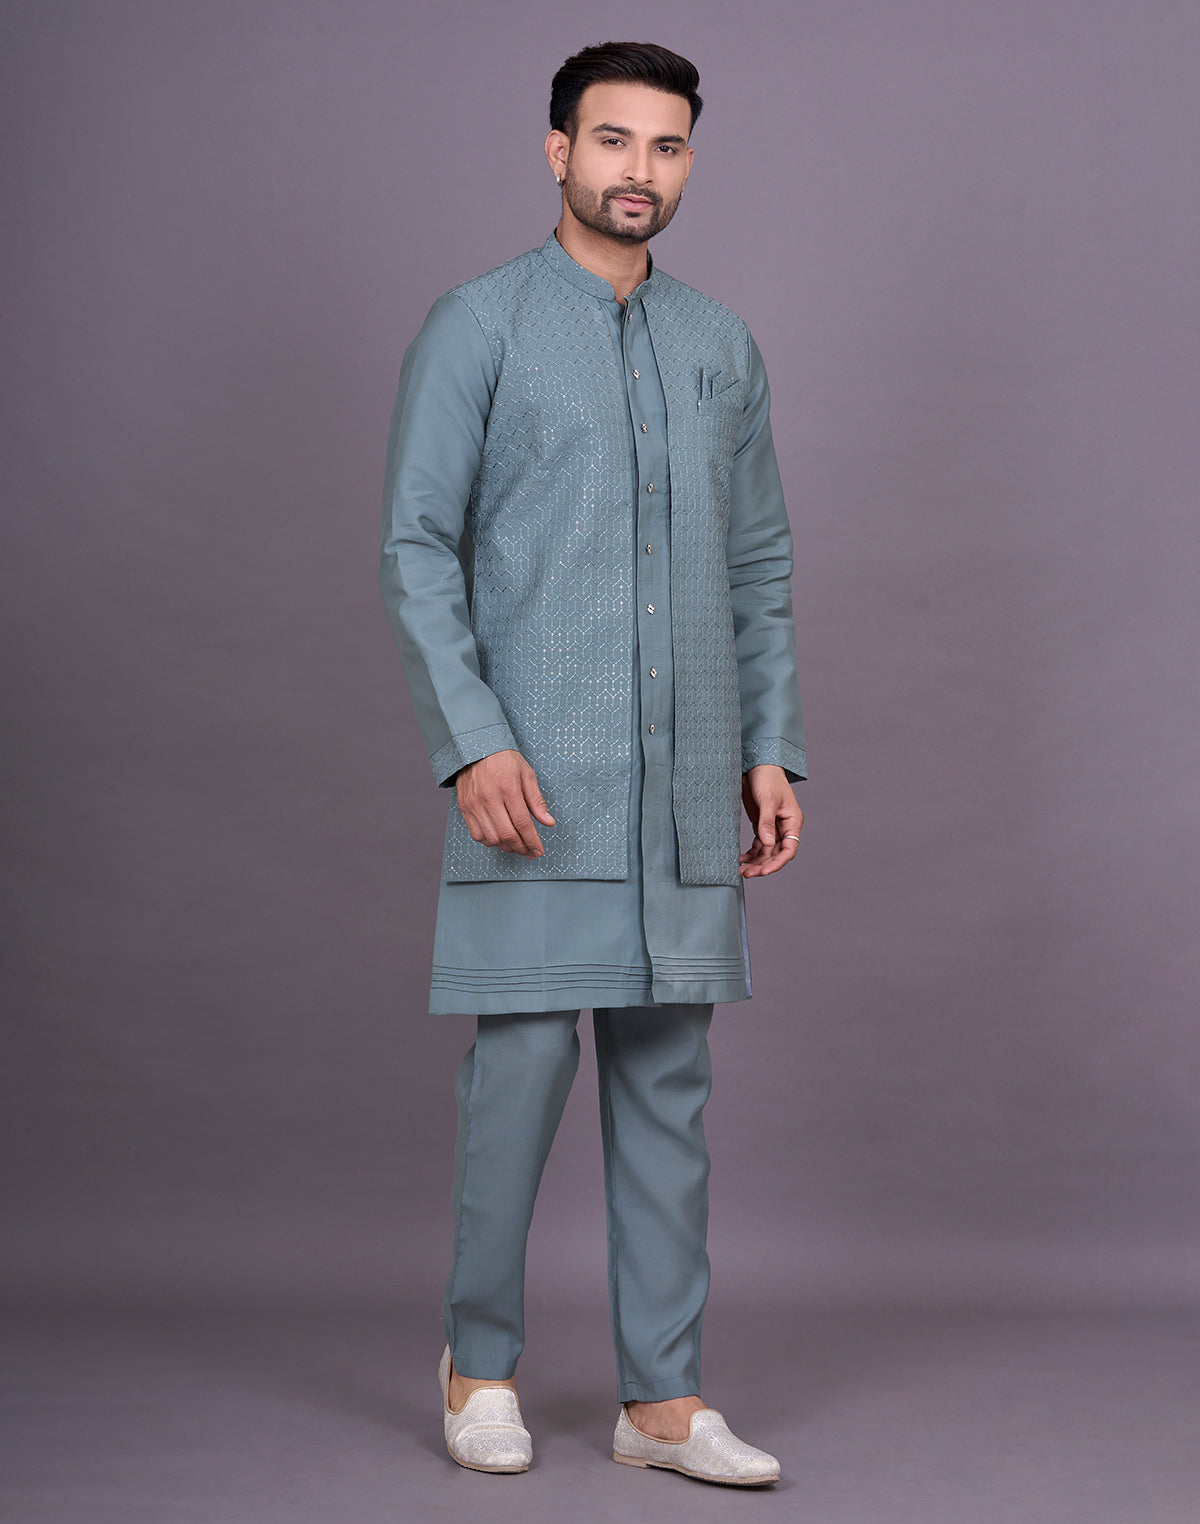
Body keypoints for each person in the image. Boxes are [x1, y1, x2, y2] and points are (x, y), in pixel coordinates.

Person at [379, 40, 805, 1487]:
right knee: (517, 1072)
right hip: (533, 786)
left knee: (670, 1081)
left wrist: (770, 749)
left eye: (667, 146)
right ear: (557, 151)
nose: (641, 170)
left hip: (685, 785)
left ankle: (662, 1403)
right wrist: (472, 742)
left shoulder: (721, 345)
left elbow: (759, 567)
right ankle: (479, 1363)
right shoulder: (479, 326)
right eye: (614, 140)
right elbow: (416, 547)